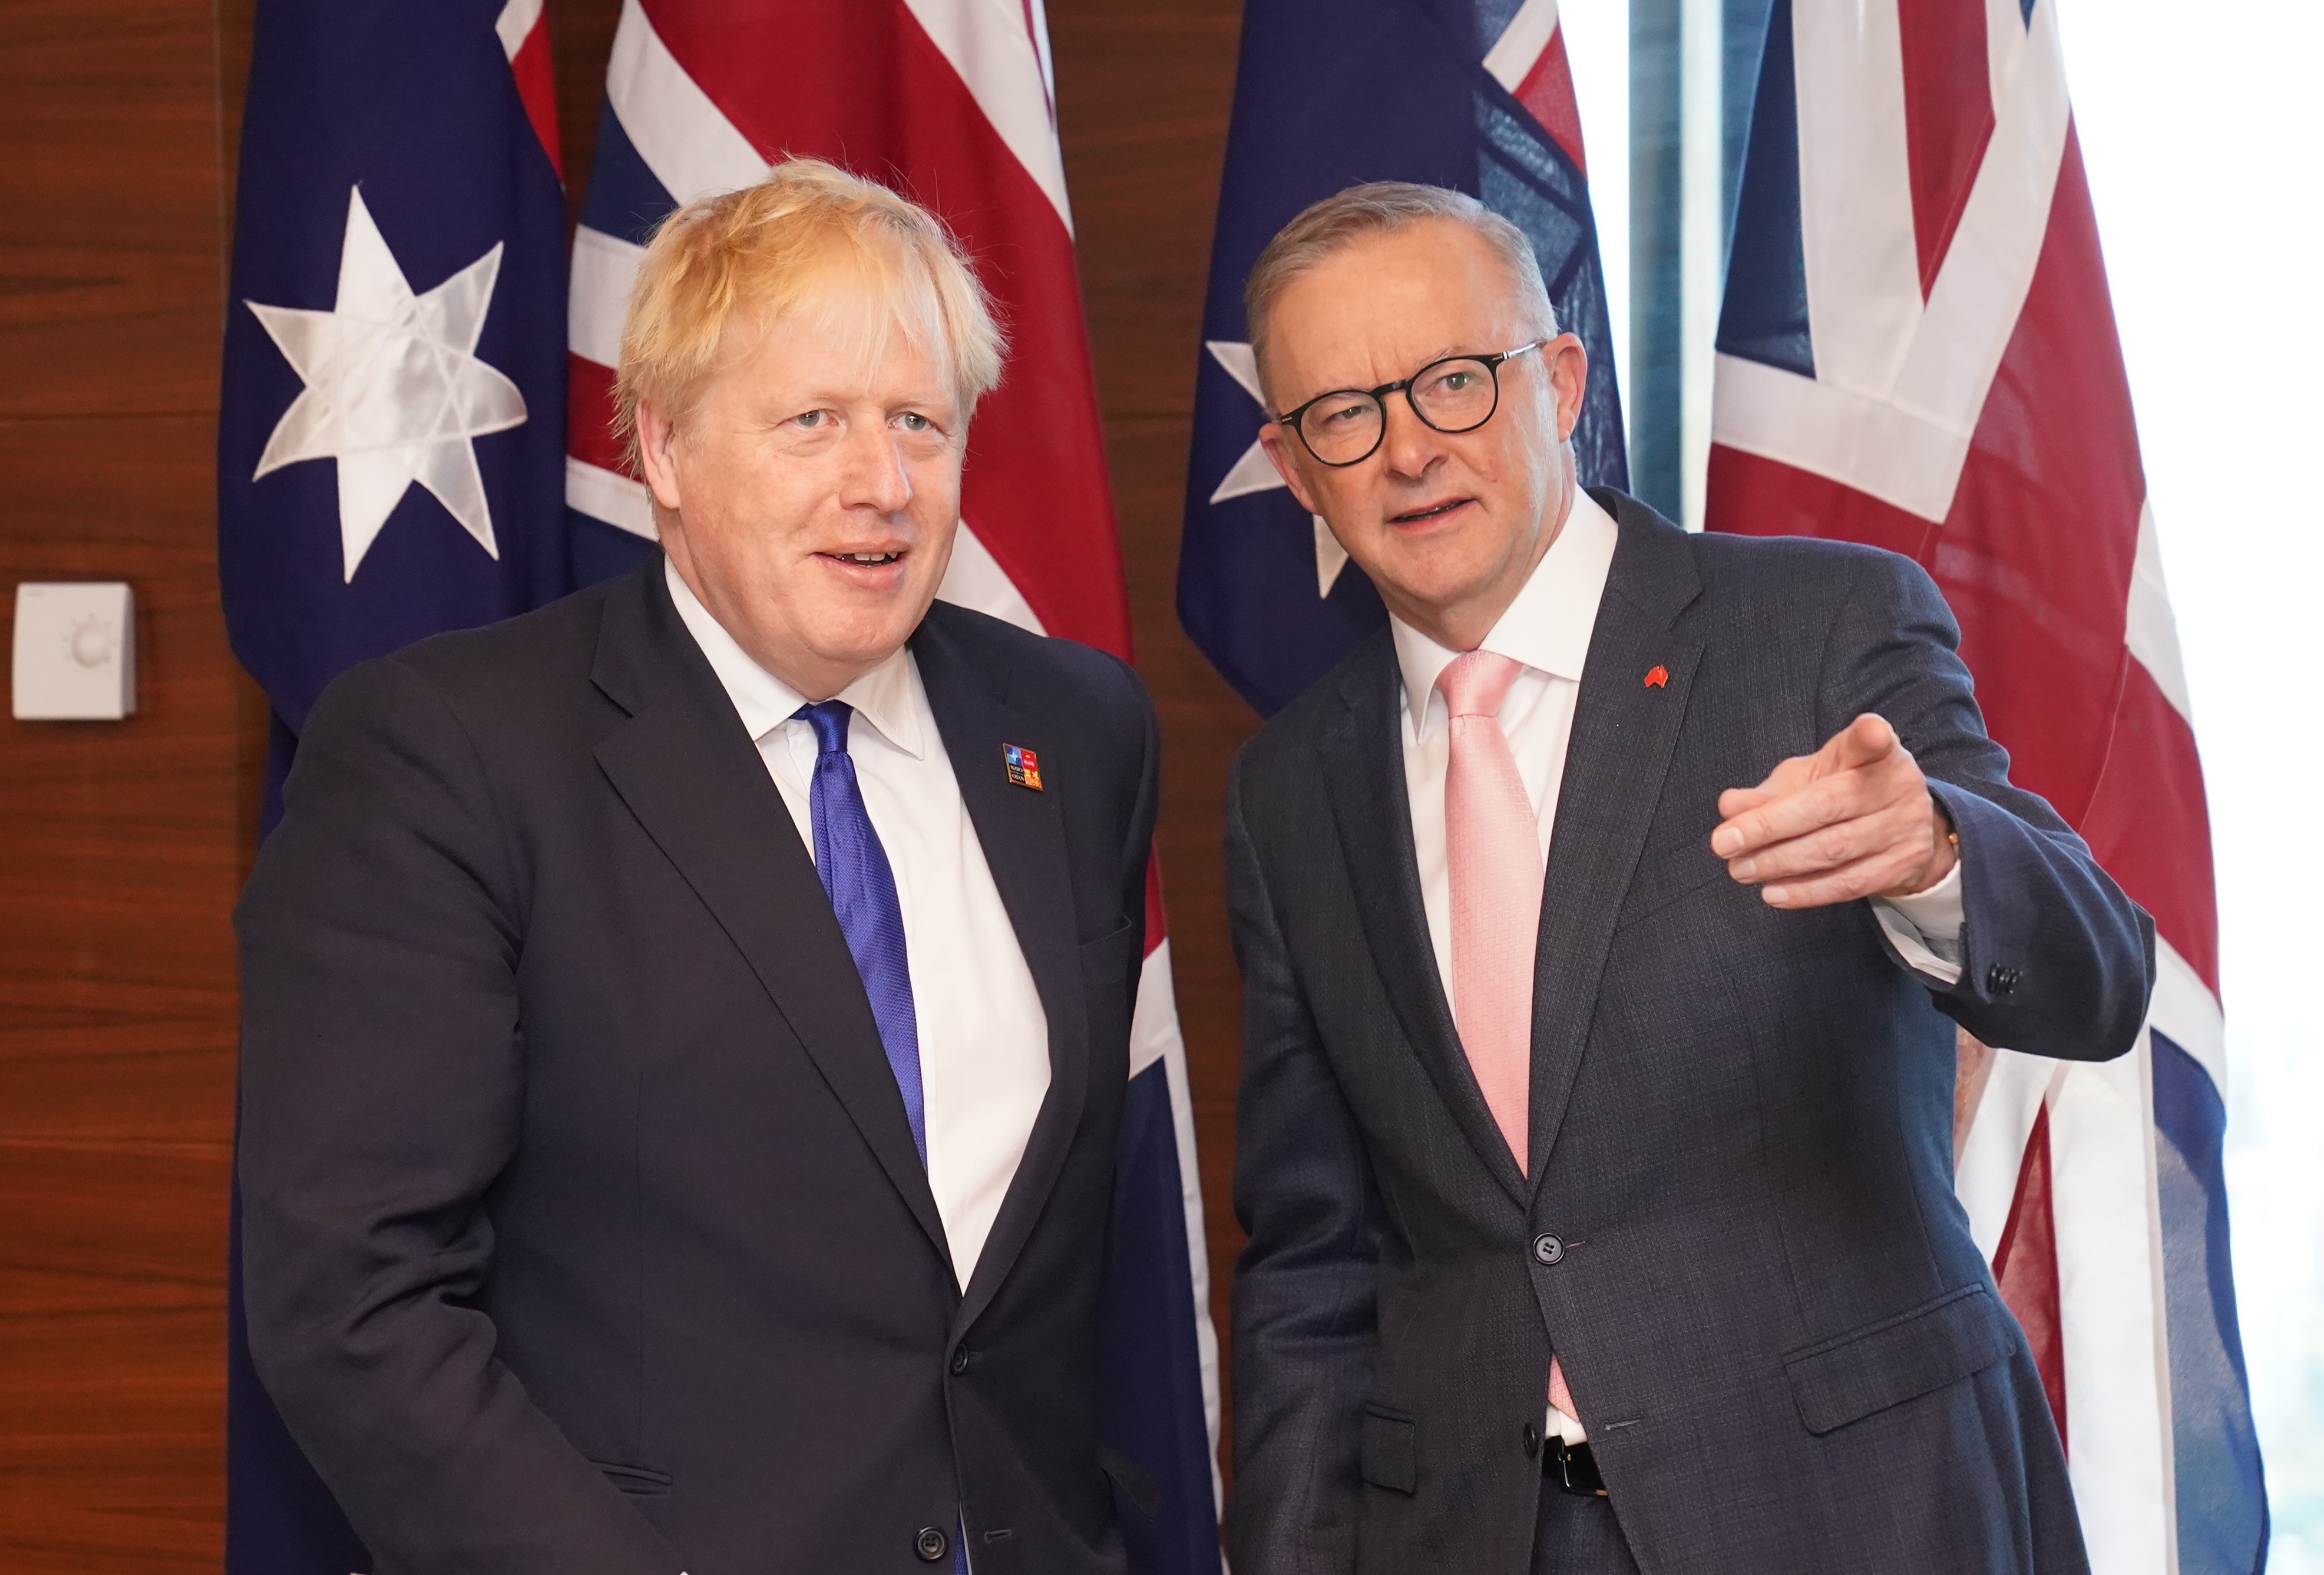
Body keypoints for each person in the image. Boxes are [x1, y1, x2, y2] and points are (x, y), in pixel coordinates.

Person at [236, 160, 1160, 1574]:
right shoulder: (448, 752)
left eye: (920, 419)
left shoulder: (1075, 734)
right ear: (663, 450)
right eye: (813, 422)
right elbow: (354, 1297)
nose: (884, 483)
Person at [1222, 182, 2153, 1575]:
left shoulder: (1822, 623)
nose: (1408, 449)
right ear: (1292, 468)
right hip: (1475, 1533)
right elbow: (1312, 1255)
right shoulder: (1287, 785)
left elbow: (2099, 977)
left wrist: (1941, 854)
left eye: (1455, 382)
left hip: (1850, 1511)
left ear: (1559, 382)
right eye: (1344, 416)